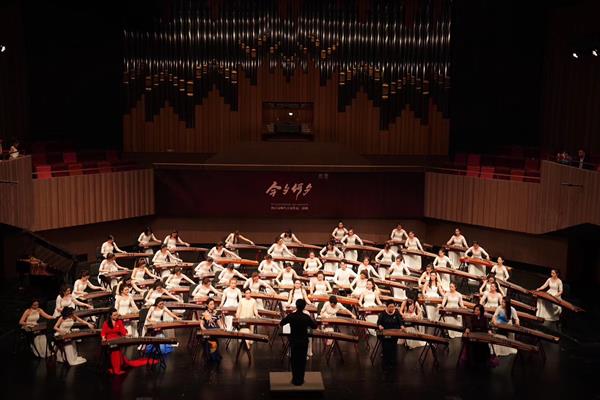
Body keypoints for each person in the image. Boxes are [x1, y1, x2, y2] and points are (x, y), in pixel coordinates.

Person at [101, 308, 157, 374]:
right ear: (110, 316)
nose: (116, 316)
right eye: (114, 315)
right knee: (115, 350)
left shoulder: (119, 321)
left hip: (117, 339)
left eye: (117, 315)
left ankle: (117, 367)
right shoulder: (106, 323)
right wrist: (103, 338)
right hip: (109, 339)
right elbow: (103, 332)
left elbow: (123, 330)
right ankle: (116, 369)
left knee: (116, 350)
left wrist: (127, 334)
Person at [279, 299, 318, 386]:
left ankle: (295, 379)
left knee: (294, 360)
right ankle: (300, 379)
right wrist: (315, 320)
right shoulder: (306, 317)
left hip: (294, 340)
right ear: (304, 307)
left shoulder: (291, 316)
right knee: (302, 360)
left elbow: (282, 323)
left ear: (296, 306)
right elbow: (314, 326)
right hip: (303, 341)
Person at [377, 301, 405, 366]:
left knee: (393, 347)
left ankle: (392, 360)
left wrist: (402, 326)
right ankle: (386, 360)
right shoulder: (383, 313)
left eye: (393, 307)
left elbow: (400, 321)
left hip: (394, 333)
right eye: (390, 307)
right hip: (385, 333)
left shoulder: (396, 312)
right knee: (386, 346)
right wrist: (380, 326)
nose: (392, 308)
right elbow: (379, 323)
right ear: (387, 307)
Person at [463, 304, 491, 368]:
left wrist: (489, 331)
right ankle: (473, 361)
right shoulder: (471, 317)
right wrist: (467, 329)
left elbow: (487, 327)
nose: (476, 311)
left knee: (484, 345)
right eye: (475, 309)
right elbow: (469, 325)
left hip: (482, 335)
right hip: (474, 334)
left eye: (478, 310)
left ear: (481, 311)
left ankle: (483, 361)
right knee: (472, 345)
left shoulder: (484, 318)